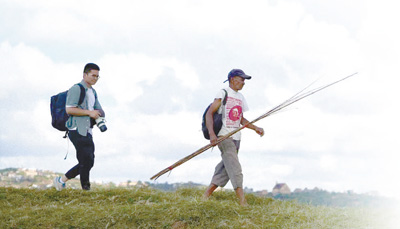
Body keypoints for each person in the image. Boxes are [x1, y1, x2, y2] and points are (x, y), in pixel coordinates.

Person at [203, 69, 264, 206]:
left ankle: (206, 196)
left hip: (236, 137)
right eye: (241, 79)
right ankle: (242, 201)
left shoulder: (241, 97)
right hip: (224, 136)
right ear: (232, 79)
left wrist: (255, 128)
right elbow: (209, 114)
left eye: (244, 80)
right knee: (235, 167)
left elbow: (240, 119)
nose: (243, 82)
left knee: (225, 167)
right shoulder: (223, 93)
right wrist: (212, 135)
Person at [53, 63, 105, 191]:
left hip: (88, 129)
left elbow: (98, 109)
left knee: (89, 161)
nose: (95, 79)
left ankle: (61, 180)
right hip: (76, 129)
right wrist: (89, 112)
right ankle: (86, 189)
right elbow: (69, 109)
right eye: (93, 75)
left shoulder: (93, 92)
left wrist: (100, 116)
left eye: (97, 76)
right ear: (84, 74)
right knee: (86, 159)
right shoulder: (76, 89)